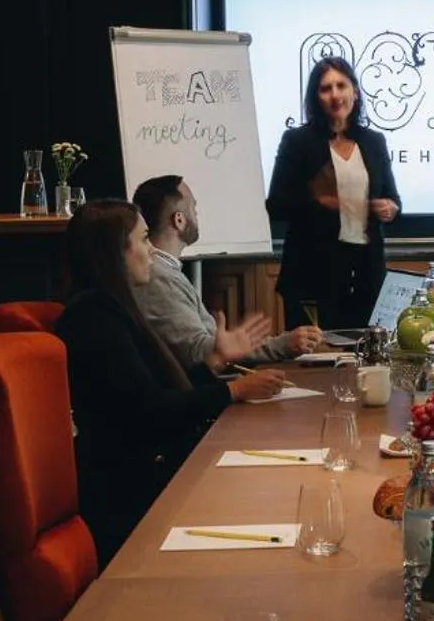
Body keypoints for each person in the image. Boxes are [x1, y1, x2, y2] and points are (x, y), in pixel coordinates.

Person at [55, 200, 288, 565]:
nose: (151, 251)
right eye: (143, 240)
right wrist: (234, 390)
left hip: (153, 476)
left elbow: (159, 392)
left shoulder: (114, 307)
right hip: (133, 499)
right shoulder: (94, 318)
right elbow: (150, 412)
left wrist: (216, 359)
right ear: (116, 253)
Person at [130, 174, 324, 374]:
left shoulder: (166, 271)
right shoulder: (159, 277)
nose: (197, 215)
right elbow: (200, 353)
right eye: (193, 208)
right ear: (179, 220)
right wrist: (283, 345)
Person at [264, 56, 401, 331]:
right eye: (325, 88)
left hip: (366, 273)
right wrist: (319, 201)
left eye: (342, 85)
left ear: (356, 92)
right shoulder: (298, 142)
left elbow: (394, 199)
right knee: (315, 364)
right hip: (312, 273)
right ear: (316, 97)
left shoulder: (374, 142)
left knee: (367, 358)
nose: (335, 95)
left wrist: (390, 207)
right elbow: (276, 205)